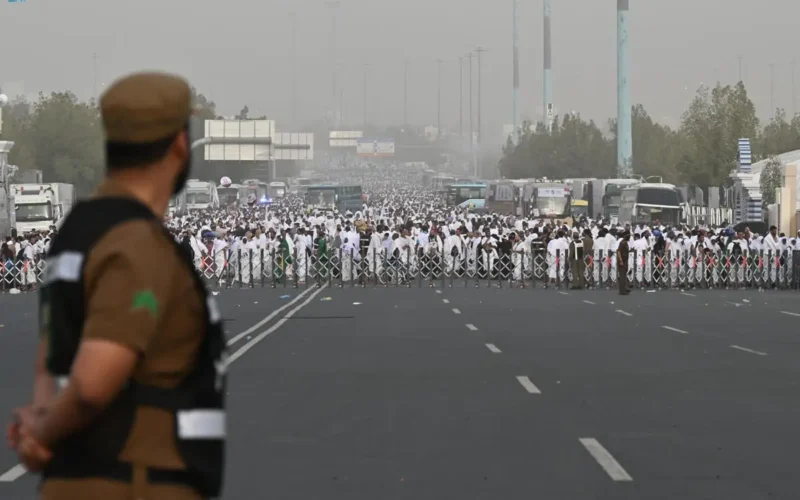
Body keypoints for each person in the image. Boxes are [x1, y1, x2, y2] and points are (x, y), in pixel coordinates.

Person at [7, 72, 226, 500]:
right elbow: (91, 384)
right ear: (181, 146)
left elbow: (51, 356)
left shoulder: (78, 231)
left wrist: (39, 422)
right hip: (134, 482)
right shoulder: (135, 243)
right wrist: (45, 435)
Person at [617, 230, 631, 295]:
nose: (629, 236)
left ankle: (625, 288)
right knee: (622, 276)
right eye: (628, 235)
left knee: (624, 275)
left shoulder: (625, 242)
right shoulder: (622, 243)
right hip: (622, 261)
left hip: (625, 260)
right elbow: (619, 251)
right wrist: (621, 261)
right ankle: (622, 291)